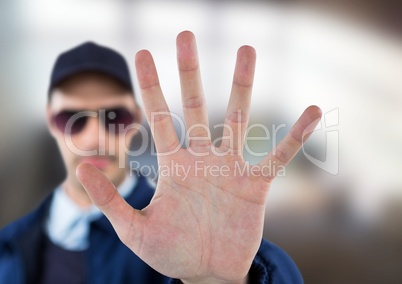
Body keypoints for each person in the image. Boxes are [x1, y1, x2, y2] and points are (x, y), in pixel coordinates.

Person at [0, 31, 321, 283]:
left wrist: (217, 282)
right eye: (72, 117)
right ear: (49, 119)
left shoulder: (190, 225)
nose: (94, 136)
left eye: (114, 116)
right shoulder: (8, 246)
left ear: (138, 119)